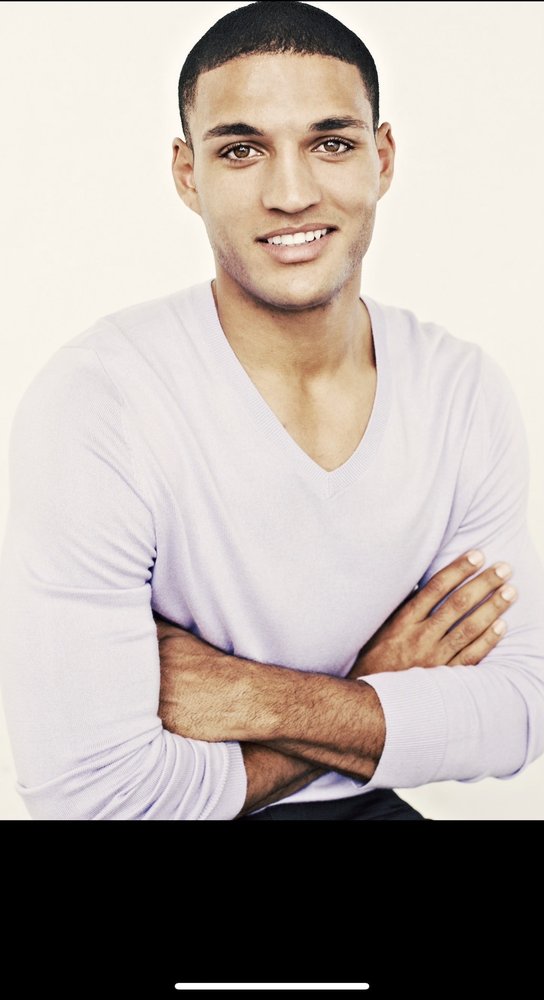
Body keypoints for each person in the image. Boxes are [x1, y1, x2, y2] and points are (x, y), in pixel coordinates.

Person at [1, 0, 543, 822]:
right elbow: (91, 798)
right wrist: (383, 689)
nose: (291, 193)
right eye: (242, 150)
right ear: (188, 174)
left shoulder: (459, 392)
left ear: (382, 158)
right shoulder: (100, 403)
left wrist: (257, 696)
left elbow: (520, 712)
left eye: (331, 143)